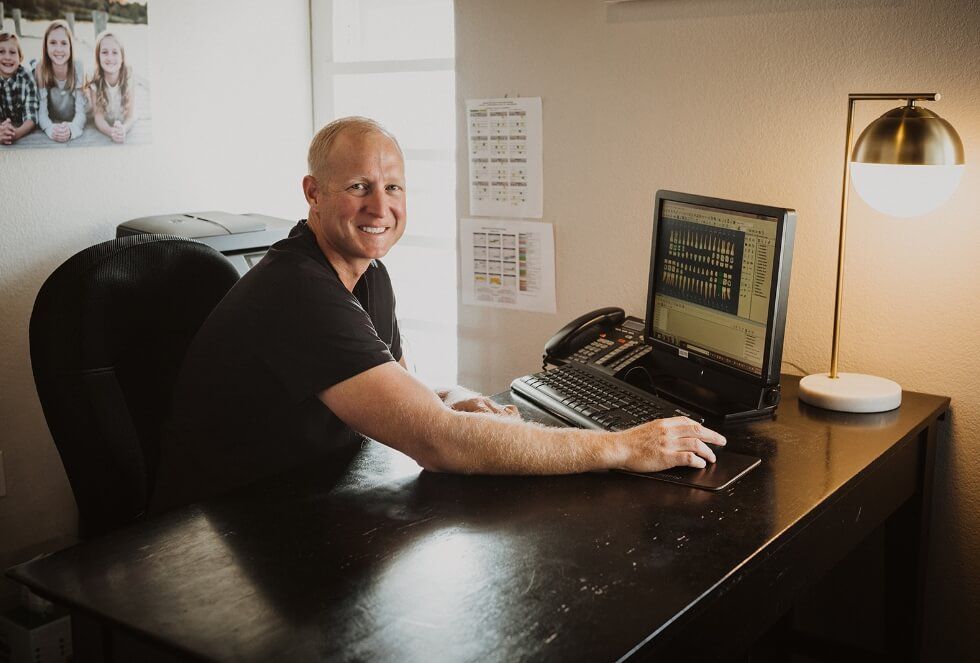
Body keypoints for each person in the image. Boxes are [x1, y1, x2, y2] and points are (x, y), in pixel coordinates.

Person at [150, 117, 725, 511]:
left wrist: (449, 399)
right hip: (213, 540)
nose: (381, 207)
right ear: (313, 192)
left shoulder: (366, 274)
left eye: (393, 186)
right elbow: (440, 444)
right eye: (358, 186)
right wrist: (623, 446)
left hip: (301, 503)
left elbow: (401, 389)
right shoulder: (296, 291)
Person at [34, 20, 86, 143]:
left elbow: (81, 113)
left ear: (70, 47)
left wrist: (71, 129)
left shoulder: (77, 66)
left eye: (64, 43)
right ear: (46, 46)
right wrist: (50, 129)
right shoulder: (41, 68)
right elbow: (41, 113)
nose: (59, 49)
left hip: (71, 117)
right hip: (53, 117)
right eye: (53, 43)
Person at [87, 31, 136, 144]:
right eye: (104, 52)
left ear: (122, 57)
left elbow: (130, 116)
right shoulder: (95, 82)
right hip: (106, 123)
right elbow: (98, 118)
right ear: (98, 57)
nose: (110, 57)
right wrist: (111, 132)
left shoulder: (129, 79)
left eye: (115, 52)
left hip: (122, 121)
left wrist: (123, 129)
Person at [0, 32, 38, 145]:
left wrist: (15, 134)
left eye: (12, 52)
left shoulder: (26, 77)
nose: (7, 57)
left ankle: (35, 64)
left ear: (20, 58)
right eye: (1, 52)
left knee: (36, 70)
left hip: (19, 124)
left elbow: (31, 117)